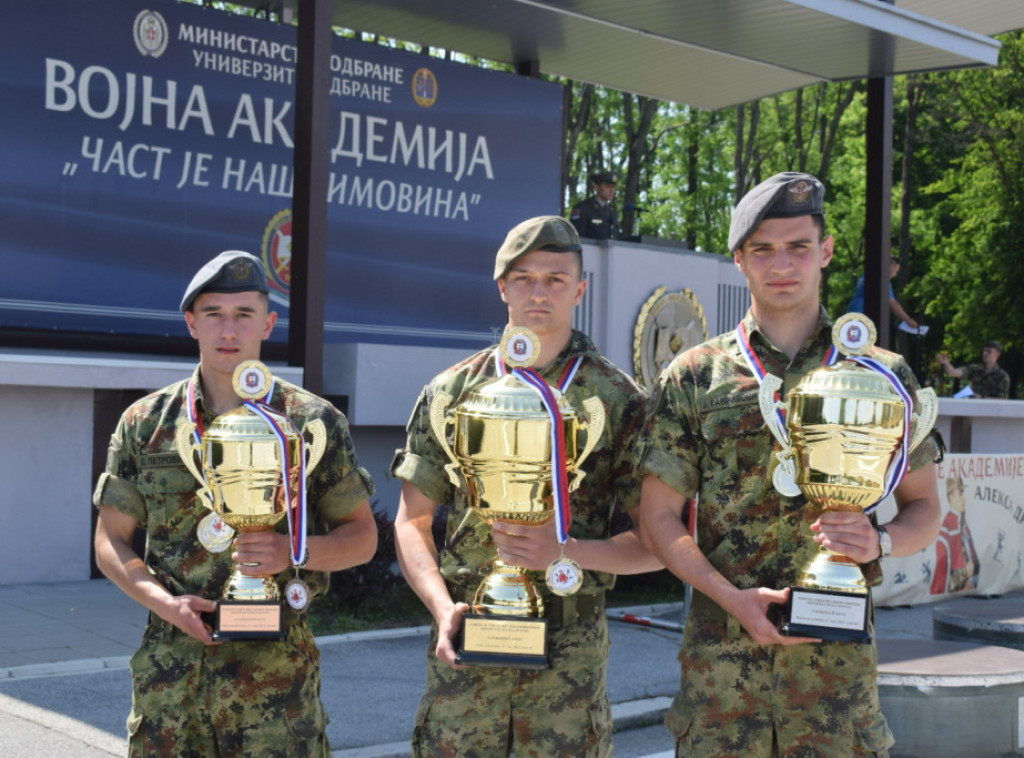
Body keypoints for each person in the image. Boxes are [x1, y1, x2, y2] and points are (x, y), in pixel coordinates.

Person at [638, 173, 941, 756]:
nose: (782, 265)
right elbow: (658, 516)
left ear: (825, 251)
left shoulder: (881, 374)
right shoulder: (695, 375)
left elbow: (926, 508)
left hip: (836, 692)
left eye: (798, 246)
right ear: (739, 259)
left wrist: (880, 541)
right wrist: (728, 597)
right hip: (723, 687)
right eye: (763, 250)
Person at [391, 215, 660, 757]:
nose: (539, 293)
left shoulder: (618, 399)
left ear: (580, 290)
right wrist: (442, 609)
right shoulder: (452, 392)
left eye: (556, 279)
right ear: (502, 287)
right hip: (467, 648)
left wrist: (565, 550)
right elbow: (411, 522)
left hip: (568, 663)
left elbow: (655, 545)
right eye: (524, 278)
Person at [93, 250, 378, 757]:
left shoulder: (311, 423)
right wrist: (166, 604)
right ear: (191, 323)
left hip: (276, 686)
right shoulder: (147, 423)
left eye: (244, 314)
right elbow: (110, 540)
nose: (229, 330)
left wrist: (293, 552)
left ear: (268, 324)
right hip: (172, 681)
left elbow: (363, 538)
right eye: (214, 314)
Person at [930, 476, 980, 595]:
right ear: (951, 498)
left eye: (963, 494)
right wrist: (965, 574)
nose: (964, 498)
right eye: (960, 494)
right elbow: (943, 574)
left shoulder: (963, 524)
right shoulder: (947, 528)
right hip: (956, 589)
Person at [847, 254, 919, 331]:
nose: (895, 275)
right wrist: (909, 321)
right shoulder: (882, 279)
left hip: (853, 314)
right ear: (891, 265)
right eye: (896, 271)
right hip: (863, 317)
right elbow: (893, 304)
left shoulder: (868, 275)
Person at [937, 341, 1010, 398]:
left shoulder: (1002, 376)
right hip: (972, 408)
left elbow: (1002, 399)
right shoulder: (975, 369)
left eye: (989, 351)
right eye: (984, 351)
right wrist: (946, 363)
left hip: (991, 410)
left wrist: (982, 398)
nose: (985, 353)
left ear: (997, 354)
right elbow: (954, 372)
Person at [570, 171, 621, 240]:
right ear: (596, 188)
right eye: (608, 186)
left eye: (613, 187)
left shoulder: (613, 211)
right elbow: (577, 238)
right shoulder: (583, 209)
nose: (612, 190)